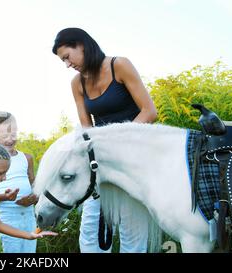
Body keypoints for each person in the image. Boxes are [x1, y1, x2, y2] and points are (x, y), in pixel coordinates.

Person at [52, 27, 157, 253]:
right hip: (102, 160)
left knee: (132, 229)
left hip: (133, 157)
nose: (67, 64)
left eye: (67, 57)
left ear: (81, 44)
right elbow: (86, 128)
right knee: (91, 229)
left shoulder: (119, 65)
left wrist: (117, 143)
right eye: (63, 61)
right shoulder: (76, 84)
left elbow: (149, 111)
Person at [0, 111, 38, 253]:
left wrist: (34, 197)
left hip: (29, 217)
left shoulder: (26, 158)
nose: (10, 139)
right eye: (4, 136)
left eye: (13, 134)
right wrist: (4, 197)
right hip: (9, 220)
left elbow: (34, 184)